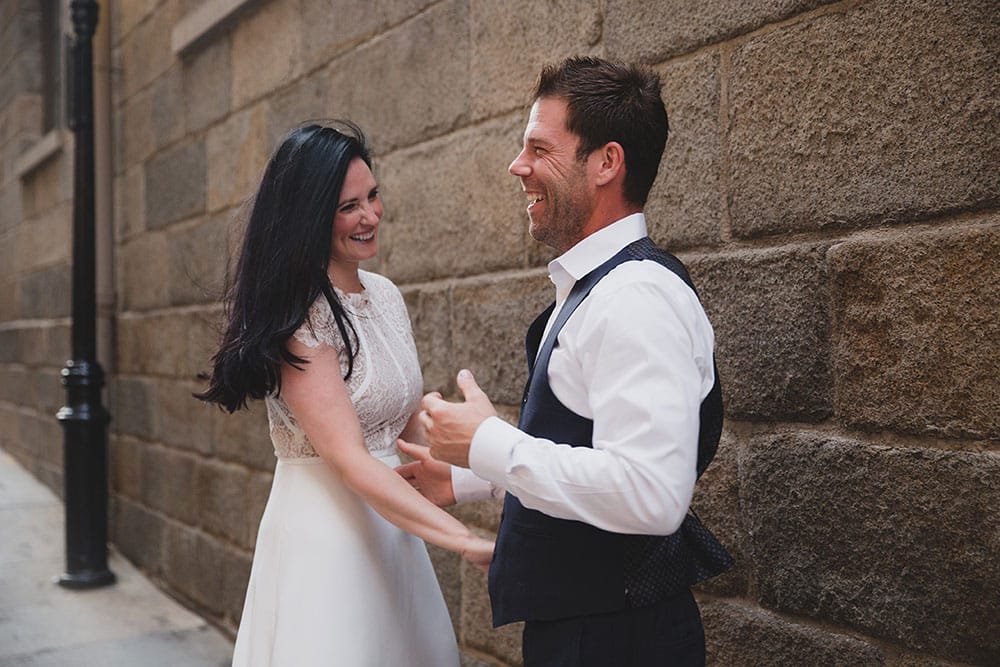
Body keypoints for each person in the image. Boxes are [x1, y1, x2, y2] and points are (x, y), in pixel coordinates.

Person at [397, 57, 732, 666]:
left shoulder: (637, 298)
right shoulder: (595, 288)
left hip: (616, 642)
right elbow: (584, 441)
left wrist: (491, 443)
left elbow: (653, 495)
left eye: (539, 148)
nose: (517, 165)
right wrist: (471, 474)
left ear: (607, 162)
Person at [195, 122, 492, 666]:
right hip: (327, 538)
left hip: (395, 534)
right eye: (348, 206)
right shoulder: (300, 314)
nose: (370, 216)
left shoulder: (386, 295)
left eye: (373, 196)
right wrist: (465, 540)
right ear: (310, 216)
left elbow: (406, 429)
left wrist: (494, 462)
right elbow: (352, 460)